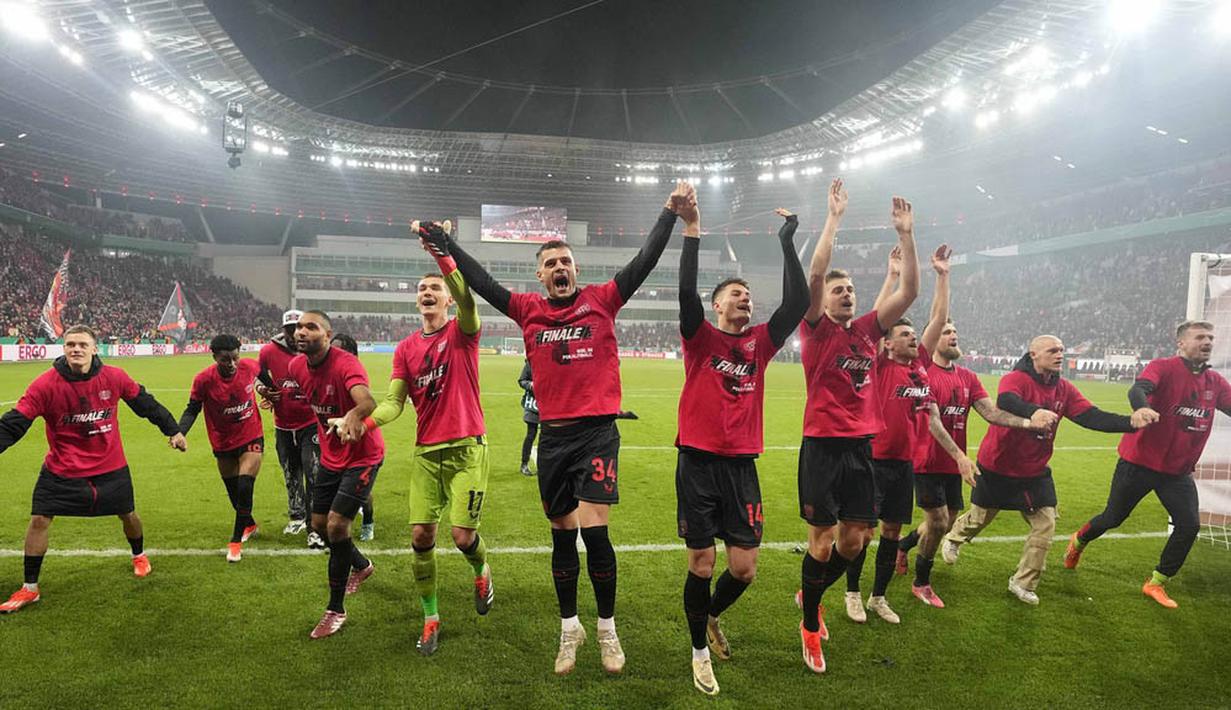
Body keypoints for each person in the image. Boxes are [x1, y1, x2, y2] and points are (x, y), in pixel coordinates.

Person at [435, 181, 691, 675]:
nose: (559, 268)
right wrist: (449, 247)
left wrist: (667, 213)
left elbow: (644, 262)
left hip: (597, 433)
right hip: (553, 438)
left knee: (596, 535)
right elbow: (484, 283)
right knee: (560, 536)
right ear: (539, 274)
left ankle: (607, 631)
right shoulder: (528, 310)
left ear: (576, 269)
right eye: (550, 263)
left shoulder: (603, 299)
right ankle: (569, 628)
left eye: (565, 261)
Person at [676, 198, 808, 696]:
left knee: (744, 570)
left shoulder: (761, 342)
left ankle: (708, 616)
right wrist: (692, 231)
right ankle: (698, 651)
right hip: (698, 462)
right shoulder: (700, 337)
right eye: (736, 292)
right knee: (702, 564)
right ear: (717, 305)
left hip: (742, 467)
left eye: (748, 293)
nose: (745, 298)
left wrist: (786, 241)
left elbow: (796, 305)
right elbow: (686, 293)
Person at [795, 180, 919, 674]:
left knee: (854, 543)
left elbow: (909, 290)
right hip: (823, 449)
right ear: (823, 301)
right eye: (838, 290)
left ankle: (810, 593)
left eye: (851, 290)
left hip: (861, 451)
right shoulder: (815, 330)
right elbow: (817, 269)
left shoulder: (869, 333)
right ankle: (809, 626)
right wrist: (834, 218)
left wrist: (906, 235)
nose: (846, 294)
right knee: (822, 542)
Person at [892, 249, 1050, 607]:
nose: (953, 335)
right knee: (936, 521)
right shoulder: (924, 374)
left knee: (946, 523)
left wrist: (1028, 422)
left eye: (956, 331)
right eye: (947, 331)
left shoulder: (968, 376)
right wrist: (962, 456)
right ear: (935, 339)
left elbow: (991, 413)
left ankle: (904, 546)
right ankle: (921, 582)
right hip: (925, 461)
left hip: (952, 465)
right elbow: (931, 421)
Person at [942, 334, 1147, 605]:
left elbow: (1091, 416)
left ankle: (1023, 582)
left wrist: (1130, 422)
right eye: (1053, 350)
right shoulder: (1016, 378)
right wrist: (1034, 411)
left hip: (1035, 471)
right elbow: (1006, 401)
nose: (1060, 354)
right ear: (1034, 354)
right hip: (998, 465)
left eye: (1062, 350)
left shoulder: (1064, 388)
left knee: (1045, 523)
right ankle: (954, 538)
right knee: (981, 517)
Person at [365, 221, 491, 655]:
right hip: (427, 455)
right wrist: (362, 423)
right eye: (421, 288)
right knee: (420, 536)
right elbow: (394, 402)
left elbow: (467, 298)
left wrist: (438, 252)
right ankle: (431, 618)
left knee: (460, 537)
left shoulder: (463, 333)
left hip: (467, 449)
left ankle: (481, 569)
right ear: (416, 299)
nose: (427, 292)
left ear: (445, 298)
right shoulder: (404, 349)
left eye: (434, 287)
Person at [0, 325, 187, 613]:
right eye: (71, 344)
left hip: (110, 466)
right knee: (39, 519)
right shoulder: (45, 385)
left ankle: (139, 555)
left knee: (128, 513)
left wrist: (173, 430)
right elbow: (15, 423)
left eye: (82, 344)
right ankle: (30, 588)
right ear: (64, 348)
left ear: (94, 348)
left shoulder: (114, 377)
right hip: (62, 468)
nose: (76, 349)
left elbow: (144, 403)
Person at [1065, 320, 1231, 607]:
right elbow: (1138, 388)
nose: (1207, 342)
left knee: (1189, 525)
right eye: (1200, 337)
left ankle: (1156, 582)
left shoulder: (1214, 382)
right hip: (1138, 464)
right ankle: (1079, 540)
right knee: (1113, 518)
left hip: (1177, 473)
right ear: (1181, 342)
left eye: (1210, 338)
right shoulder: (1163, 367)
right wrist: (1141, 406)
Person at [289, 310, 384, 639]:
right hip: (331, 455)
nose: (302, 332)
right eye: (298, 327)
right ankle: (361, 564)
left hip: (363, 455)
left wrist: (354, 415)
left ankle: (335, 609)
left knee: (336, 524)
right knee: (318, 525)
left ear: (327, 335)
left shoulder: (346, 364)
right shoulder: (295, 366)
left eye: (311, 327)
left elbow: (368, 401)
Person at [178, 334, 267, 562]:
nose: (232, 364)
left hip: (251, 435)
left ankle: (235, 542)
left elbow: (264, 377)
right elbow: (192, 409)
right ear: (215, 357)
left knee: (246, 486)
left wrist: (272, 392)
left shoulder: (248, 366)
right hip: (222, 441)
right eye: (225, 360)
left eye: (235, 358)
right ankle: (249, 524)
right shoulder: (204, 380)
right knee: (234, 492)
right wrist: (179, 432)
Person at [257, 309, 325, 550]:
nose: (294, 333)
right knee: (290, 472)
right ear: (283, 329)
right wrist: (263, 390)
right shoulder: (268, 351)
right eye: (289, 328)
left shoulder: (312, 350)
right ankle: (296, 516)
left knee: (313, 472)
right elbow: (258, 376)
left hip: (310, 422)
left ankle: (315, 524)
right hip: (283, 424)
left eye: (298, 328)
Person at [329, 333, 375, 542]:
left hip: (357, 438)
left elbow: (367, 404)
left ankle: (368, 521)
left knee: (362, 487)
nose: (332, 354)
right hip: (335, 437)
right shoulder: (328, 371)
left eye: (337, 350)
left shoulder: (355, 374)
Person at [519, 359, 539, 477]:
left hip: (549, 402)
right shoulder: (531, 363)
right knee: (531, 434)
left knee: (547, 436)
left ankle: (545, 465)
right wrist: (531, 385)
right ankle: (524, 464)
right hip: (533, 403)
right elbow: (522, 380)